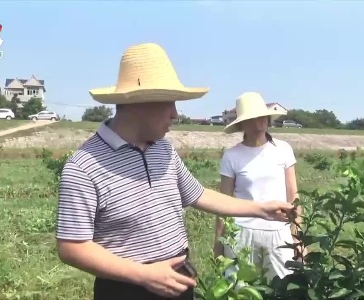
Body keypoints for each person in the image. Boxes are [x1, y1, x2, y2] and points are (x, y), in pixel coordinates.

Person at [55, 43, 294, 300]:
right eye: (169, 103)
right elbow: (72, 247)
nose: (175, 114)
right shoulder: (84, 167)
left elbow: (199, 195)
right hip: (128, 288)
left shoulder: (164, 150)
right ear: (140, 104)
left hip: (179, 278)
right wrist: (142, 275)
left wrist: (261, 209)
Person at [213, 92, 303, 281]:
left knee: (283, 285)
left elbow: (293, 195)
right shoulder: (232, 156)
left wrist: (298, 238)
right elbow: (224, 204)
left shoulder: (283, 150)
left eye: (262, 116)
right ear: (242, 124)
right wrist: (218, 244)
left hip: (279, 232)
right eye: (252, 118)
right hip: (242, 234)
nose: (259, 122)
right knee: (241, 288)